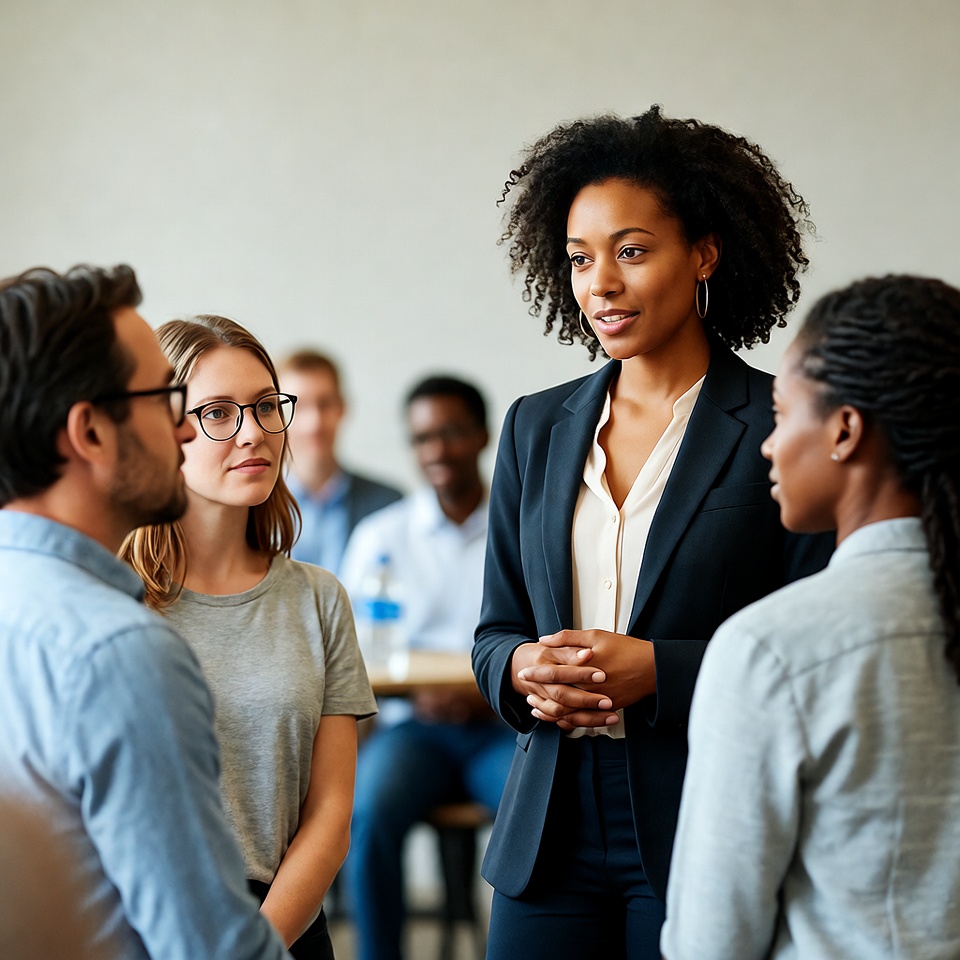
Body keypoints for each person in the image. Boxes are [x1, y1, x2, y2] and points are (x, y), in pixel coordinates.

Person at [471, 106, 834, 960]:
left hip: (704, 819)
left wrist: (659, 671)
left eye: (631, 251)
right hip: (547, 826)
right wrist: (519, 668)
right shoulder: (534, 427)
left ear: (704, 254)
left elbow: (818, 650)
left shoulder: (781, 423)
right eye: (579, 258)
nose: (600, 282)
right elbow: (494, 628)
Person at [662, 275, 960, 959]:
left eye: (781, 412)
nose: (767, 444)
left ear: (845, 429)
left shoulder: (772, 650)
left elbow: (712, 941)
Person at [0, 266, 290, 959]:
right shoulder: (122, 652)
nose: (185, 431)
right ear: (91, 433)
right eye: (167, 398)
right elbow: (211, 948)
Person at [122, 316, 377, 959]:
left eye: (266, 407)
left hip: (282, 932)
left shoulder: (319, 598)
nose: (254, 432)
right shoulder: (113, 599)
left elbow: (329, 815)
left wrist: (254, 948)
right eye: (218, 412)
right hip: (143, 930)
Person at [339, 375, 515, 960]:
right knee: (368, 812)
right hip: (415, 728)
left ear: (483, 436)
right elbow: (354, 654)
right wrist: (415, 698)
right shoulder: (381, 536)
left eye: (451, 433)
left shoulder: (519, 526)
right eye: (421, 438)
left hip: (502, 728)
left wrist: (492, 695)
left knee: (542, 810)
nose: (436, 450)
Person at [280, 349, 402, 573]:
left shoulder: (390, 506)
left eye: (325, 404)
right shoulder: (249, 510)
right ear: (277, 416)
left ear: (343, 408)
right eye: (299, 407)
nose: (314, 423)